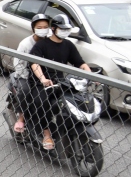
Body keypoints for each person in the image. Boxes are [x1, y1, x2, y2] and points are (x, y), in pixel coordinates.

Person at [27, 13, 91, 150]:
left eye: (67, 29)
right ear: (54, 28)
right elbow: (34, 62)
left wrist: (91, 76)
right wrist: (43, 78)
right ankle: (46, 133)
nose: (65, 31)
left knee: (74, 101)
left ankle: (68, 128)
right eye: (62, 29)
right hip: (41, 83)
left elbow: (80, 63)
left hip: (61, 82)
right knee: (42, 102)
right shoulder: (42, 44)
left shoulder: (68, 45)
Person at [10, 13, 51, 133]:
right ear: (33, 28)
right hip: (25, 76)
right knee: (25, 91)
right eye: (39, 27)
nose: (43, 30)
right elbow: (18, 64)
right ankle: (21, 118)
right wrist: (29, 76)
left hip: (44, 75)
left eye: (45, 27)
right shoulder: (25, 44)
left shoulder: (49, 42)